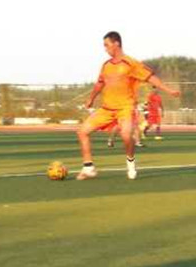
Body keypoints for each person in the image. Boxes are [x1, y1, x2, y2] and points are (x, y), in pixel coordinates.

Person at [77, 31, 180, 181]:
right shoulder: (106, 65)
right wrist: (91, 98)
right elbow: (100, 83)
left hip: (125, 108)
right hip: (107, 108)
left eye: (107, 45)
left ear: (116, 43)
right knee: (82, 131)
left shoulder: (130, 63)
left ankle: (130, 161)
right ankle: (88, 168)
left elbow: (151, 78)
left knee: (126, 135)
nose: (105, 49)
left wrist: (168, 90)